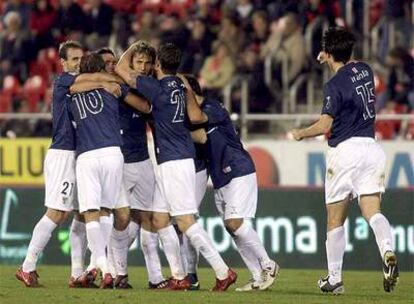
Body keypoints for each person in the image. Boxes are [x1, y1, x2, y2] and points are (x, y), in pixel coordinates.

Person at [115, 42, 237, 291]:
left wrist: (134, 47)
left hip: (175, 160)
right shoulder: (181, 87)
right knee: (160, 219)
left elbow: (120, 68)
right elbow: (195, 117)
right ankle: (179, 276)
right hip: (172, 159)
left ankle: (223, 272)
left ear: (158, 64)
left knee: (185, 221)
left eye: (152, 63)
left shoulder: (156, 88)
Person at [290, 27, 399, 294]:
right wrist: (329, 57)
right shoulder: (365, 69)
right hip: (371, 149)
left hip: (345, 152)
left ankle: (335, 278)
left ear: (327, 53)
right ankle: (387, 251)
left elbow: (325, 123)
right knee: (373, 211)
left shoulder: (333, 85)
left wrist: (301, 133)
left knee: (335, 218)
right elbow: (347, 66)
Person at [15, 41, 120, 287]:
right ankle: (27, 265)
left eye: (80, 58)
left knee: (83, 214)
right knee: (58, 211)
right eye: (73, 59)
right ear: (63, 62)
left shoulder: (83, 80)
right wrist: (106, 81)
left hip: (82, 154)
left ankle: (77, 273)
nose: (77, 63)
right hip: (63, 152)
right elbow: (85, 85)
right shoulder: (64, 81)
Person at [182, 74, 279, 292]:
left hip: (238, 169)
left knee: (235, 222)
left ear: (191, 92)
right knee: (231, 227)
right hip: (220, 177)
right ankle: (257, 276)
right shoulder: (193, 115)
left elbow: (200, 132)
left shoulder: (213, 107)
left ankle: (268, 264)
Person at [70, 53, 150, 289]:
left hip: (88, 155)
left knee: (91, 213)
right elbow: (144, 106)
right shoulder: (113, 86)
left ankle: (104, 268)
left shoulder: (73, 87)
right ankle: (97, 266)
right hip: (114, 154)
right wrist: (108, 82)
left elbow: (76, 86)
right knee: (105, 211)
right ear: (100, 69)